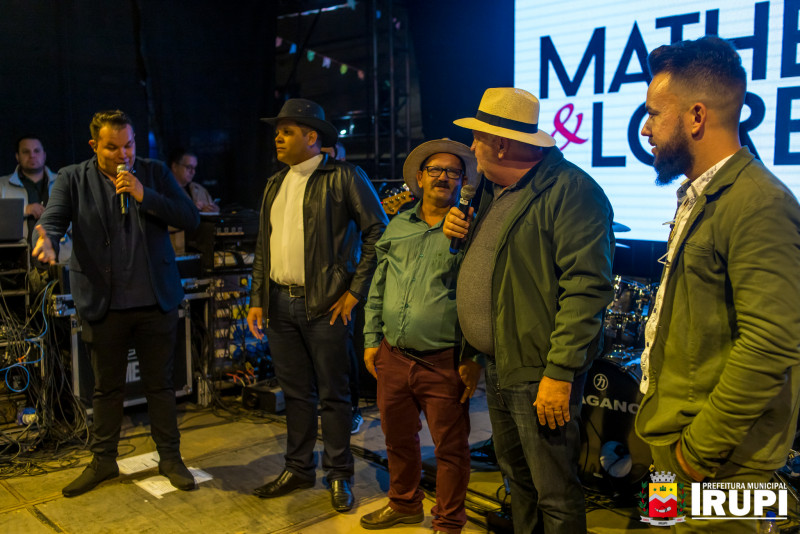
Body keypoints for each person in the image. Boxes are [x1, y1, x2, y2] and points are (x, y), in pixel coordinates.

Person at [634, 36, 800, 532]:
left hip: (718, 463)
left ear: (696, 116)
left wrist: (695, 454)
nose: (645, 128)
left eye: (654, 113)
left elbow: (770, 345)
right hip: (674, 446)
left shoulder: (760, 203)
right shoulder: (704, 193)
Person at [443, 87, 615, 533]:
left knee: (553, 493)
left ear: (501, 144)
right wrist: (471, 350)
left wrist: (559, 373)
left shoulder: (573, 192)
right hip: (499, 363)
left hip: (540, 372)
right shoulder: (492, 190)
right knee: (518, 482)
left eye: (478, 138)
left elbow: (587, 289)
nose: (472, 147)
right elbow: (490, 275)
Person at [33, 110, 200, 497]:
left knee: (160, 386)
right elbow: (54, 219)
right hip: (103, 303)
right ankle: (103, 461)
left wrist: (144, 195)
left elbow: (190, 217)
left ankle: (170, 458)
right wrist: (47, 239)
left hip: (154, 301)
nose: (123, 154)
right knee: (106, 389)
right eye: (112, 147)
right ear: (94, 145)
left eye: (129, 145)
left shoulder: (154, 173)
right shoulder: (72, 178)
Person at [246, 98, 387, 512]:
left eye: (287, 131)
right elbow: (263, 246)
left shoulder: (344, 176)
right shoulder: (275, 183)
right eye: (277, 131)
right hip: (280, 304)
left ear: (312, 137)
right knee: (295, 394)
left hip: (327, 305)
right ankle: (298, 468)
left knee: (334, 396)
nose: (278, 137)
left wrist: (355, 292)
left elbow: (379, 233)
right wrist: (257, 298)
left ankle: (339, 473)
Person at [359, 139, 481, 534]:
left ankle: (448, 522)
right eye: (436, 170)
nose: (444, 177)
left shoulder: (471, 229)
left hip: (444, 361)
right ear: (420, 177)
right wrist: (371, 339)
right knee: (397, 439)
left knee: (451, 448)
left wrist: (473, 356)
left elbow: (480, 298)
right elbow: (378, 285)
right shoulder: (398, 225)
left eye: (453, 172)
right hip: (393, 355)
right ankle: (404, 504)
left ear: (462, 182)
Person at [0, 136, 71, 259]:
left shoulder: (64, 183)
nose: (32, 155)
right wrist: (24, 210)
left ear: (44, 155)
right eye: (26, 152)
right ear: (17, 156)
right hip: (16, 260)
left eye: (36, 151)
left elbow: (82, 220)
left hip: (61, 258)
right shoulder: (2, 185)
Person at [168, 148, 219, 213]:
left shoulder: (200, 190)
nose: (193, 172)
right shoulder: (163, 191)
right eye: (189, 167)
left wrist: (214, 210)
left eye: (194, 168)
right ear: (174, 167)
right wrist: (192, 210)